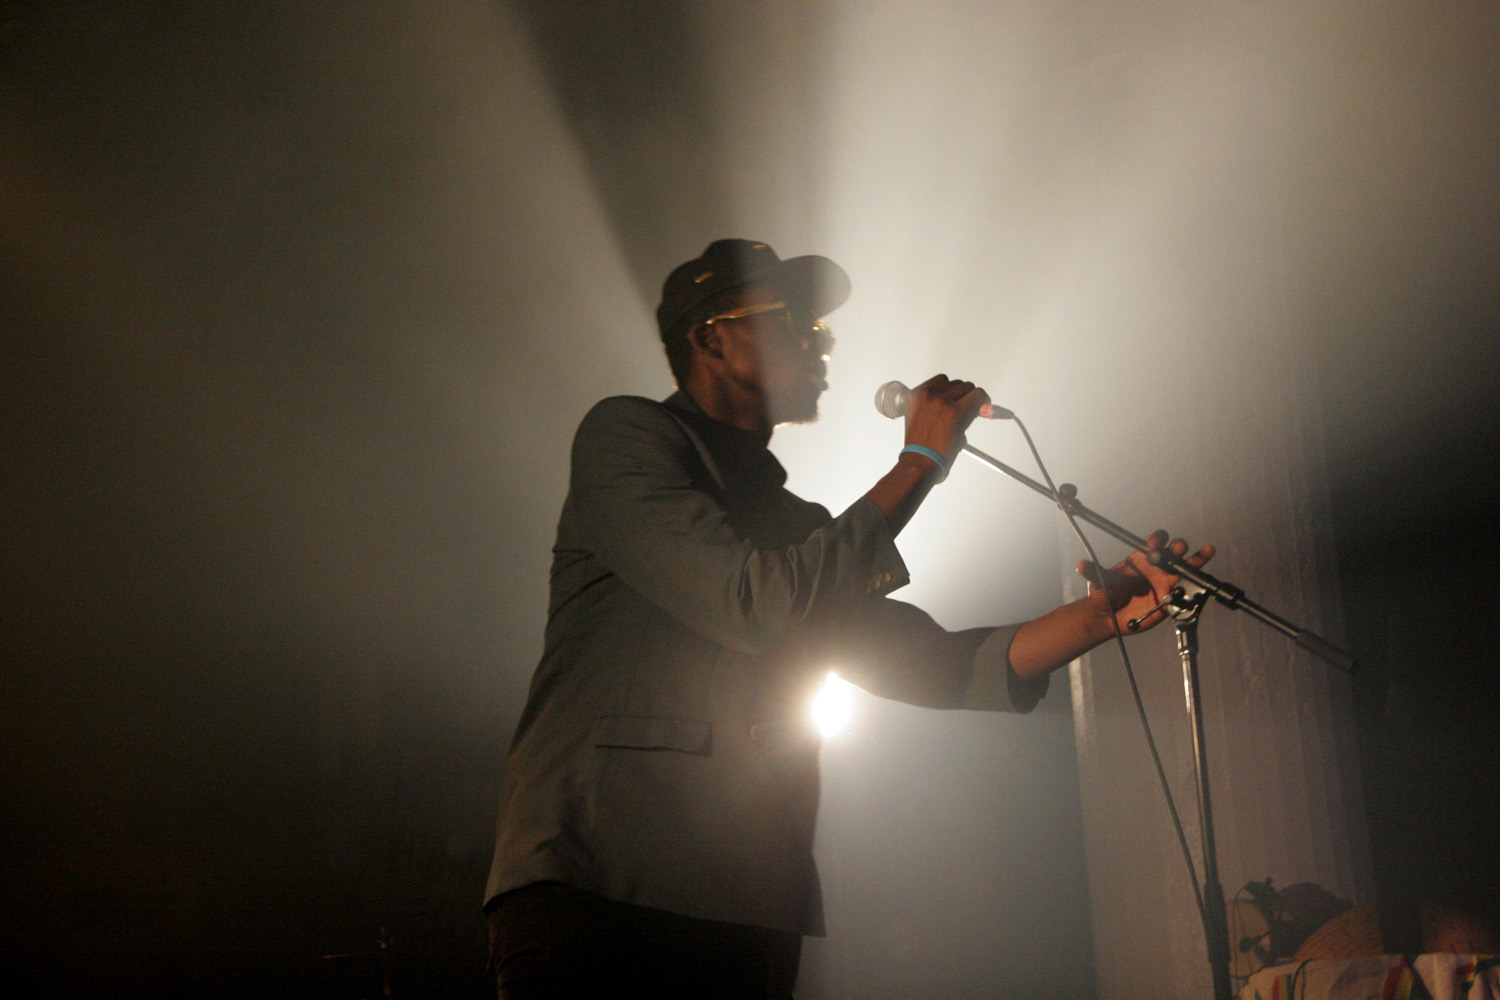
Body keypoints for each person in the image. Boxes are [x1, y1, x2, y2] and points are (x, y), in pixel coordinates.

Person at [483, 239, 1213, 998]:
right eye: (792, 320)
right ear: (710, 337)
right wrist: (920, 463)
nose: (819, 342)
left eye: (822, 327)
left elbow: (929, 662)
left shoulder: (800, 527)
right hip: (603, 876)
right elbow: (754, 603)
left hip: (747, 894)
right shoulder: (626, 437)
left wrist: (1100, 617)